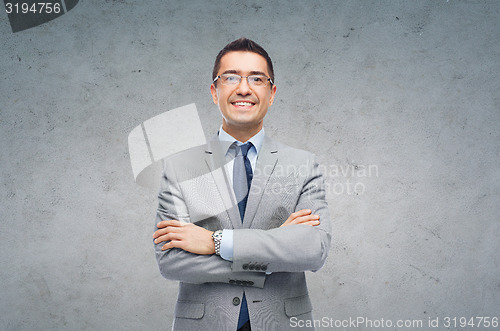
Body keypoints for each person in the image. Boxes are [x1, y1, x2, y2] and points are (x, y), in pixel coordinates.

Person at [153, 37, 331, 331]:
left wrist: (215, 243)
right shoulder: (180, 166)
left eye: (257, 79)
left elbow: (313, 250)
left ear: (272, 93)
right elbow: (171, 261)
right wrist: (274, 251)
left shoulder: (304, 164)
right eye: (231, 77)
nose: (244, 88)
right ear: (215, 91)